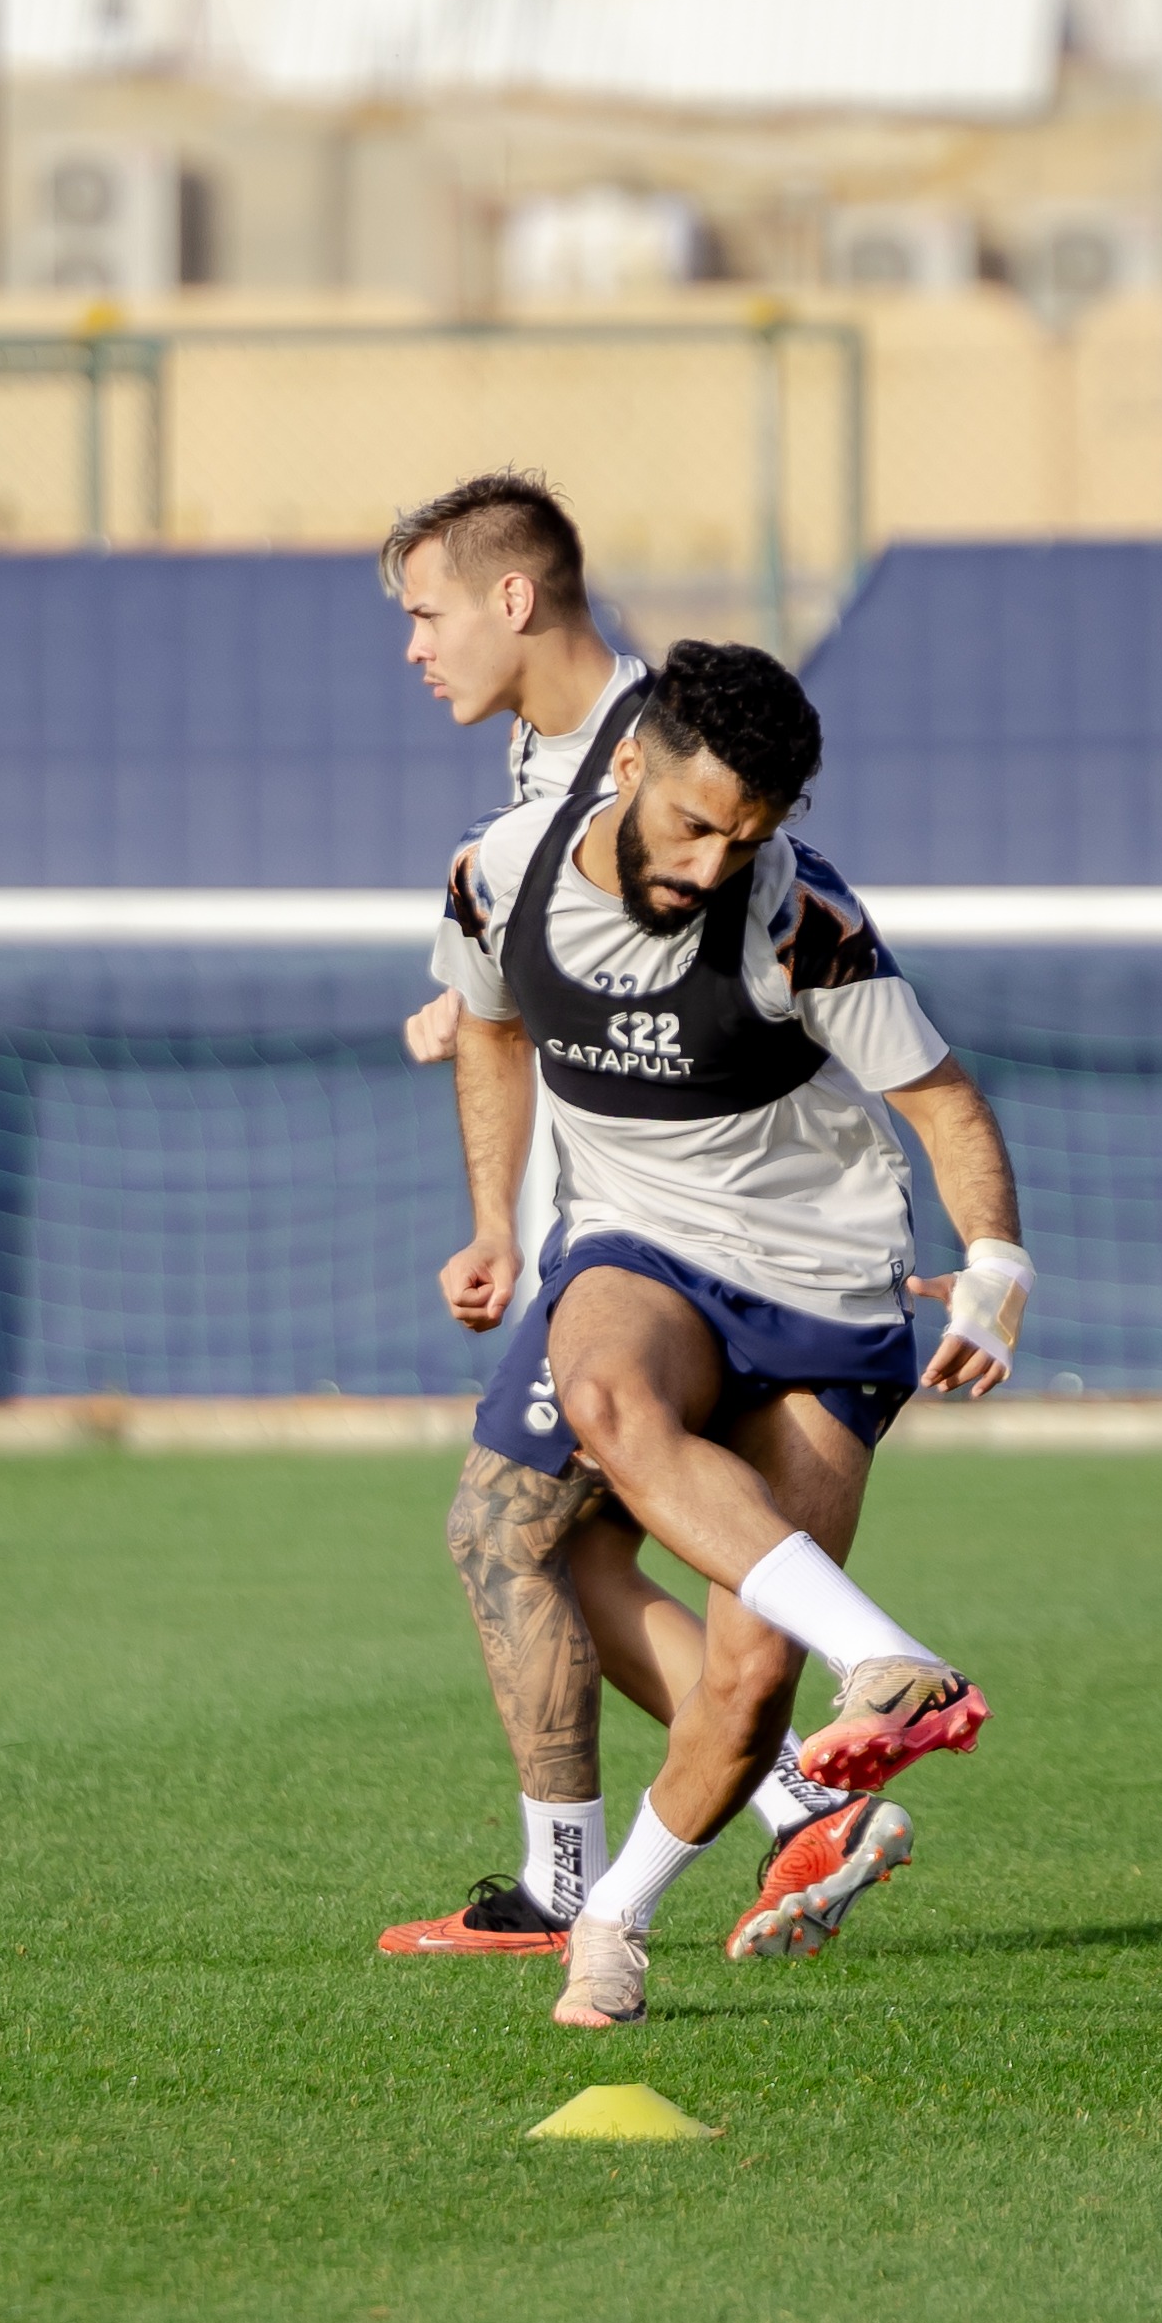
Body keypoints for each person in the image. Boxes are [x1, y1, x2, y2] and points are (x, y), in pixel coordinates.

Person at [432, 631, 1028, 2030]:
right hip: (641, 1245)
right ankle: (886, 1663)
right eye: (694, 825)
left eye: (745, 837)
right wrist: (494, 1220)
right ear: (628, 764)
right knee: (596, 1411)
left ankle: (614, 1918)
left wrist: (996, 1266)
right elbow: (489, 1026)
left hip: (826, 1277)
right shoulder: (499, 875)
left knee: (753, 1675)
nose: (711, 865)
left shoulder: (796, 916)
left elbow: (941, 1101)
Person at [372, 475, 926, 1970]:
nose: (413, 646)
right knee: (529, 1540)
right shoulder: (544, 764)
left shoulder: (649, 754)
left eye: (425, 613)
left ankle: (661, 1847)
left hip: (698, 1250)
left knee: (511, 1533)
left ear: (510, 599)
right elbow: (535, 985)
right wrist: (490, 1169)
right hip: (619, 1234)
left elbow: (757, 976)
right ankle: (788, 1800)